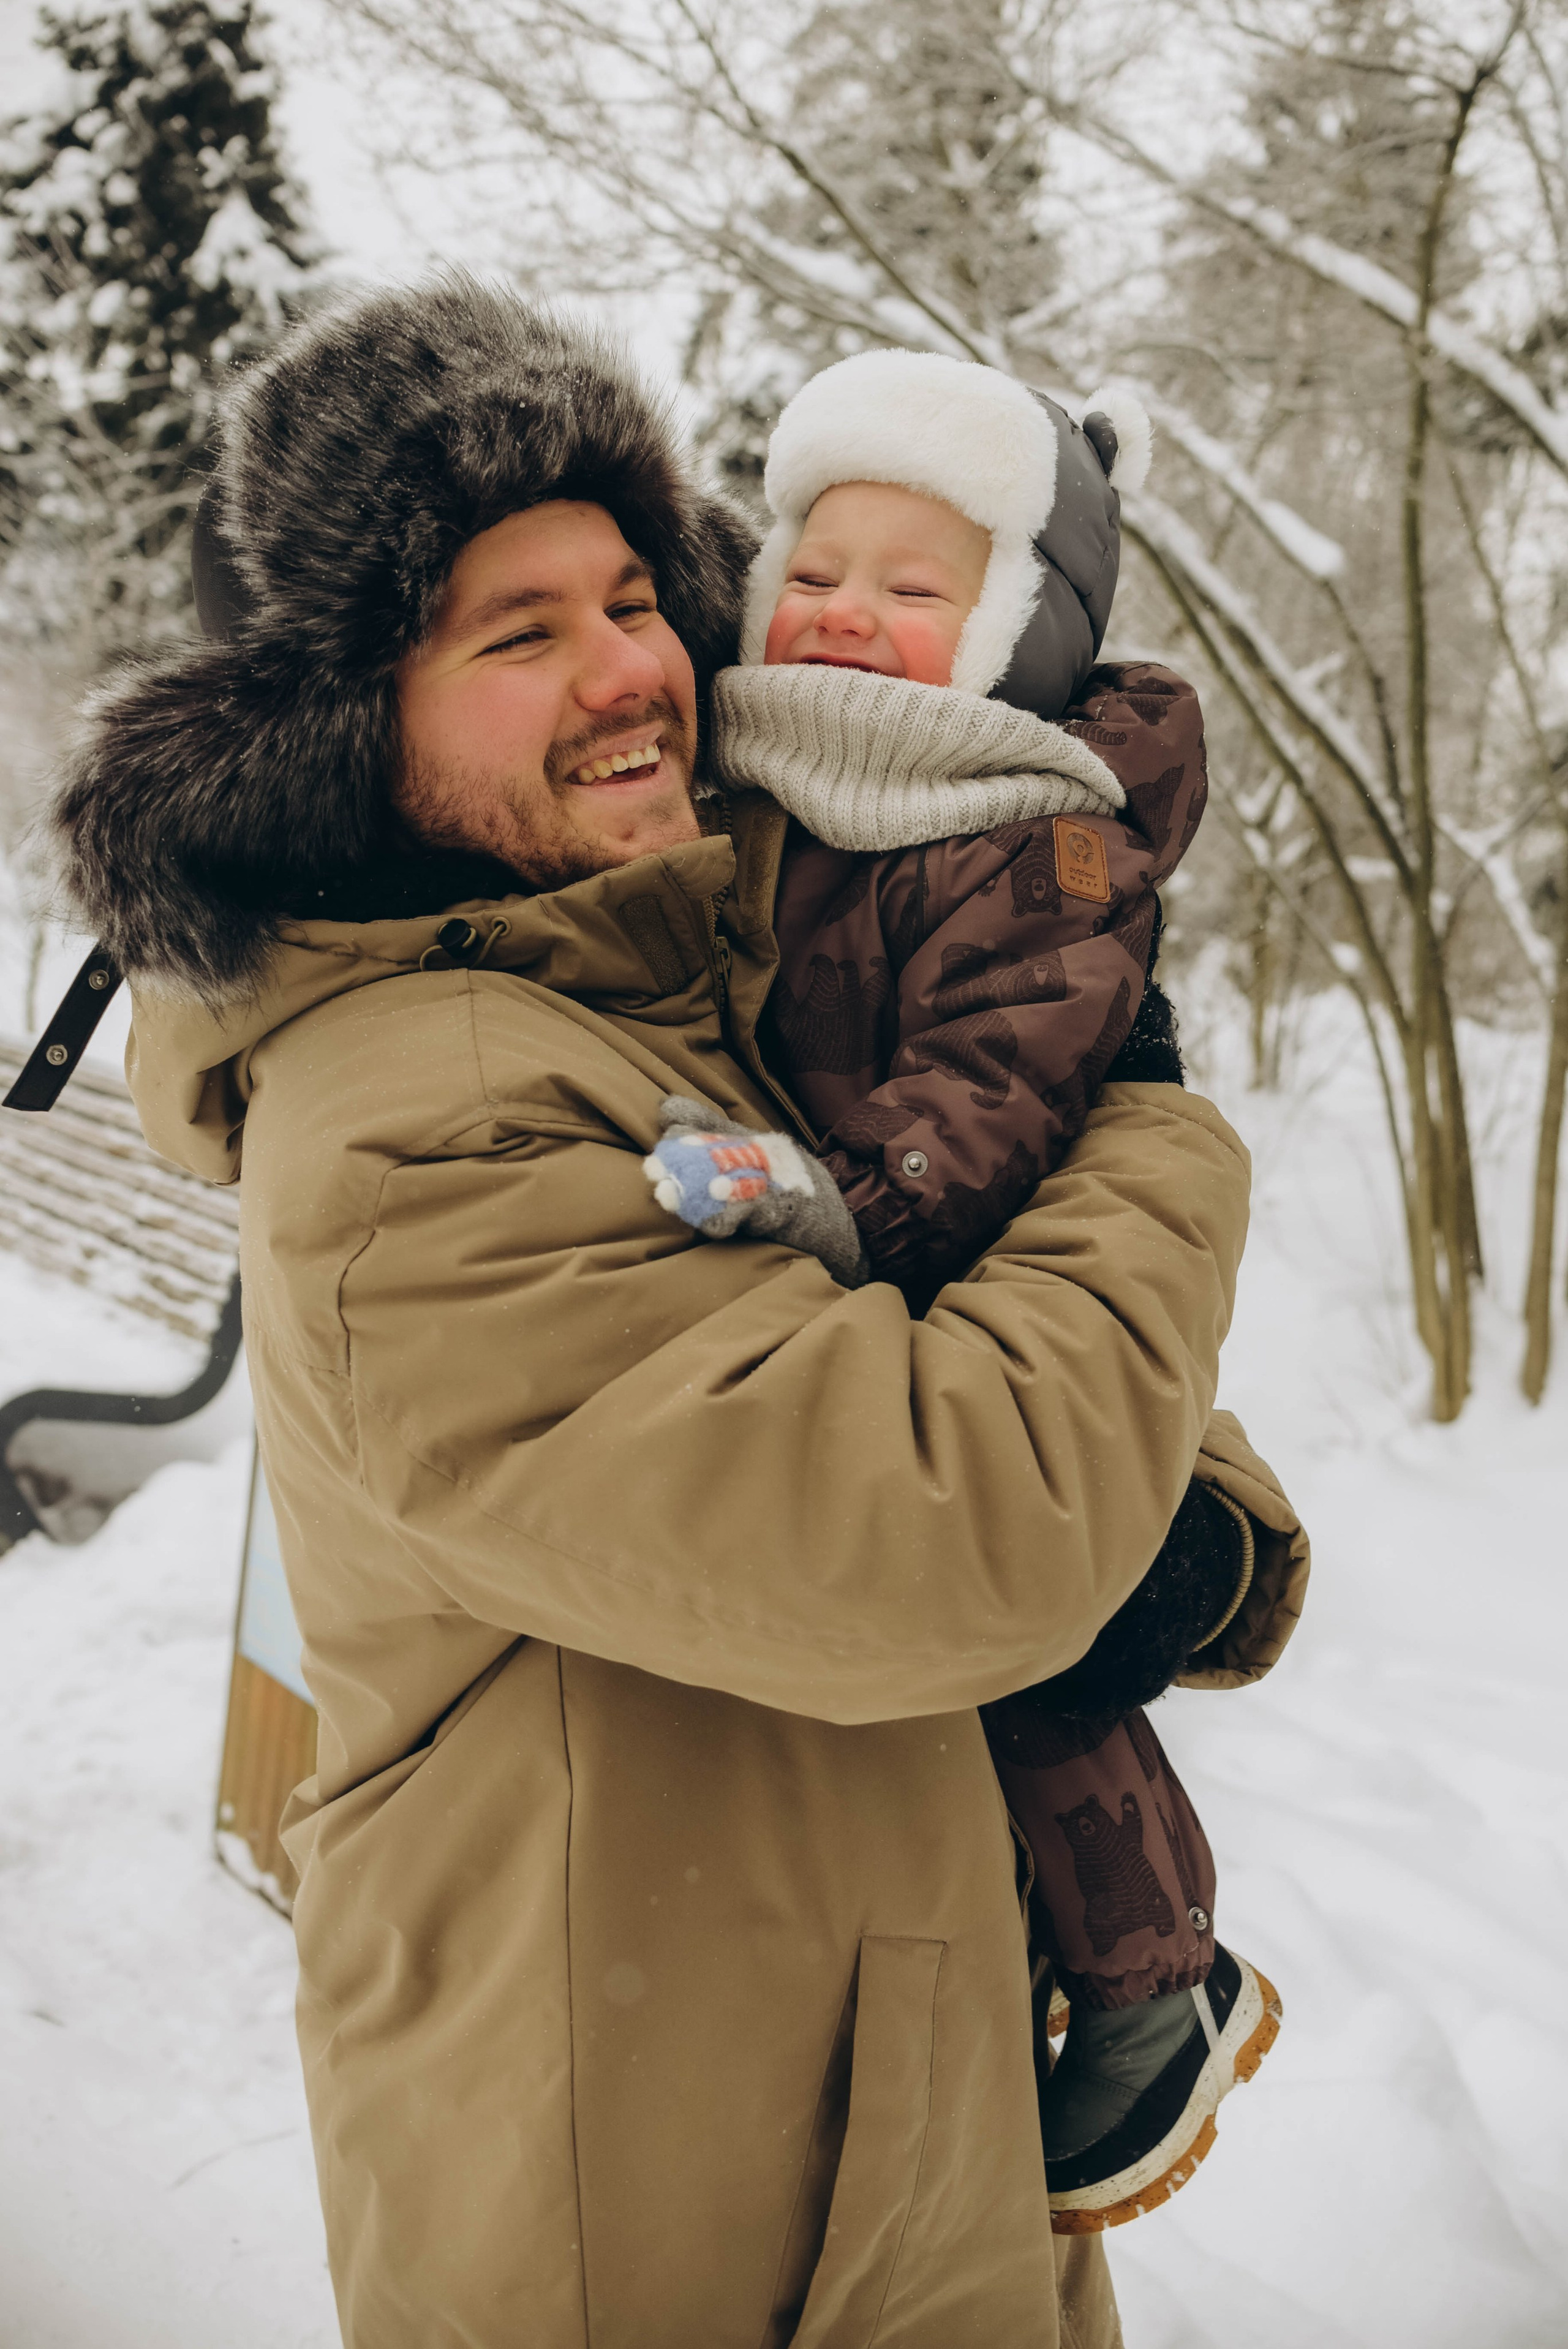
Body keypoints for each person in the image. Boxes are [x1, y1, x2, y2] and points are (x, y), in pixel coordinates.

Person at [50, 276, 1306, 2349]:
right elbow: (960, 1530)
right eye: (519, 633)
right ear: (340, 730)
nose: (632, 666)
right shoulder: (424, 1126)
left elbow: (948, 1334)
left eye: (637, 596)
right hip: (660, 2214)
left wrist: (1180, 1511)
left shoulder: (656, 987)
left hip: (884, 2112)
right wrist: (1151, 1125)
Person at [643, 349, 1280, 2231]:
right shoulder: (770, 781)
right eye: (819, 569)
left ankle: (1159, 1973)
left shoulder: (1035, 827)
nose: (848, 611)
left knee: (1028, 1659)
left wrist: (855, 1202)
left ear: (1018, 630)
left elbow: (1004, 1072)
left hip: (970, 1273)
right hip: (868, 1283)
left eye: (917, 588)